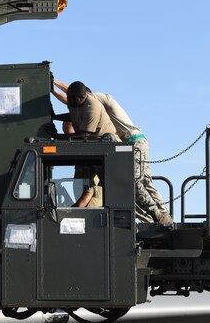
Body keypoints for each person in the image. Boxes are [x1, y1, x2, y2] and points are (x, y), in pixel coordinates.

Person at [51, 79, 172, 225]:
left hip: (127, 144)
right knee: (128, 187)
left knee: (134, 182)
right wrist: (54, 89)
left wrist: (53, 88)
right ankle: (154, 219)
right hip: (113, 147)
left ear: (85, 95)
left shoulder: (95, 103)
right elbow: (71, 102)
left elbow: (81, 129)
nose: (69, 101)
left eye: (73, 97)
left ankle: (160, 215)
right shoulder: (80, 102)